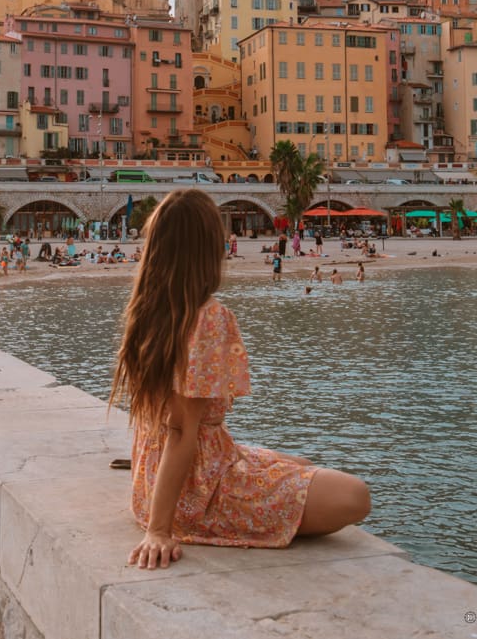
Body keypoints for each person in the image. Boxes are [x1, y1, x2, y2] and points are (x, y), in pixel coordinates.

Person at [110, 189, 370, 571]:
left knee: (298, 463)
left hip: (153, 482)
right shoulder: (207, 318)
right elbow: (182, 430)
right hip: (195, 491)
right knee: (355, 496)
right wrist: (159, 530)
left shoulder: (149, 312)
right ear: (210, 248)